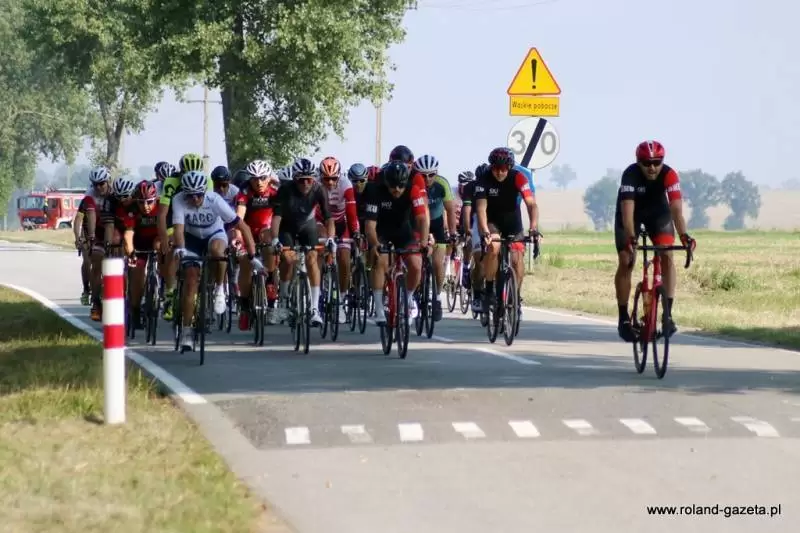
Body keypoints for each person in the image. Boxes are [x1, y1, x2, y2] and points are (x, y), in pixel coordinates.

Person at [614, 140, 696, 342]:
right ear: (638, 162)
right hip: (631, 214)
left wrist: (684, 236)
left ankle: (668, 315)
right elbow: (627, 213)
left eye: (657, 162)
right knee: (626, 259)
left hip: (658, 214)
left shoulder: (669, 174)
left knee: (667, 254)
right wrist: (631, 238)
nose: (652, 167)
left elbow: (676, 211)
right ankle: (624, 318)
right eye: (646, 163)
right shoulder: (630, 174)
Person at [172, 170, 261, 351]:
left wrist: (252, 256)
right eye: (190, 195)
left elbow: (243, 226)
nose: (195, 199)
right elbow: (179, 230)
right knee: (190, 281)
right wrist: (180, 247)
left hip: (215, 234)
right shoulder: (178, 200)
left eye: (198, 195)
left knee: (217, 251)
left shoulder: (215, 200)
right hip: (191, 239)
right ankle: (187, 331)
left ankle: (219, 289)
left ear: (204, 192)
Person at [270, 157, 335, 327]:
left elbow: (329, 218)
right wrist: (275, 239)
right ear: (294, 179)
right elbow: (276, 218)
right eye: (301, 180)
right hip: (287, 226)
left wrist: (330, 238)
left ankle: (314, 309)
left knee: (312, 258)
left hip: (308, 225)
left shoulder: (319, 189)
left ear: (313, 179)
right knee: (288, 259)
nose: (306, 183)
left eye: (309, 180)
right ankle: (283, 302)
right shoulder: (285, 190)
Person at [363, 161, 430, 324]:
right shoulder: (375, 192)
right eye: (393, 186)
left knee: (416, 265)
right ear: (386, 182)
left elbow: (422, 219)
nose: (397, 189)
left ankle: (407, 298)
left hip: (404, 232)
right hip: (382, 232)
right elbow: (370, 226)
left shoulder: (413, 190)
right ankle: (379, 308)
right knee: (380, 261)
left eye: (401, 185)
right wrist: (375, 244)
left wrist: (423, 242)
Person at [474, 147, 539, 312]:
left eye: (503, 168)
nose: (499, 172)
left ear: (509, 167)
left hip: (513, 221)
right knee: (494, 247)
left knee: (517, 259)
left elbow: (531, 204)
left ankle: (515, 296)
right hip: (492, 221)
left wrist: (533, 228)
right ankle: (489, 289)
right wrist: (485, 231)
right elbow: (481, 209)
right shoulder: (484, 179)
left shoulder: (519, 177)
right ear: (491, 167)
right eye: (496, 168)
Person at [158, 153, 210, 321]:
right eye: (186, 173)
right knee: (172, 248)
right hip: (174, 219)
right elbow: (162, 213)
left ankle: (205, 292)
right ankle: (170, 293)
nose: (191, 177)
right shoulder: (171, 182)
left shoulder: (207, 181)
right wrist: (164, 237)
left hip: (196, 221)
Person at [234, 160, 281, 328]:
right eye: (254, 178)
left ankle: (270, 287)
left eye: (263, 178)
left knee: (269, 244)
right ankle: (245, 305)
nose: (259, 182)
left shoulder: (275, 190)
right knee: (244, 262)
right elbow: (239, 218)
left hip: (265, 229)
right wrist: (238, 239)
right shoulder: (244, 191)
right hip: (247, 230)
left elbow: (280, 216)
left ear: (269, 177)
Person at [317, 157, 361, 323]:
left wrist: (356, 232)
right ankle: (318, 293)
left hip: (341, 222)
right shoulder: (315, 184)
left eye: (333, 178)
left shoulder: (345, 184)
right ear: (320, 176)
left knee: (344, 259)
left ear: (339, 176)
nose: (329, 182)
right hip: (321, 221)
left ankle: (341, 300)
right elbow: (311, 210)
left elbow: (352, 212)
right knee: (318, 253)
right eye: (326, 178)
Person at [413, 154, 456, 321]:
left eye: (431, 174)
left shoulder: (442, 184)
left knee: (438, 263)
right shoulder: (413, 184)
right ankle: (415, 292)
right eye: (423, 175)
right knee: (415, 262)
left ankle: (437, 297)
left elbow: (450, 210)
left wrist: (452, 233)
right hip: (418, 225)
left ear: (436, 173)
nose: (427, 179)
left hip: (437, 225)